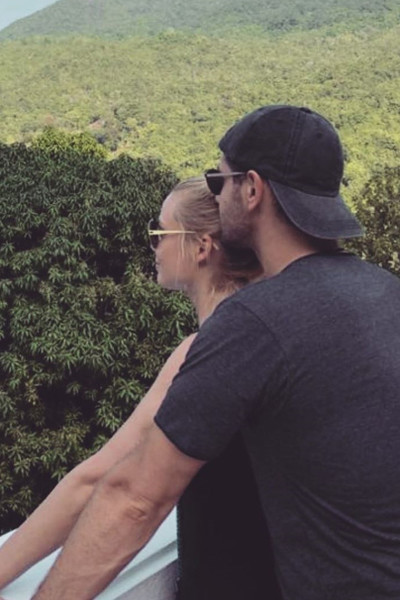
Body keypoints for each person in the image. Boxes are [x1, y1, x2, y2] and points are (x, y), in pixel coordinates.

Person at [14, 104, 400, 600]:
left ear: (252, 189)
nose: (217, 196)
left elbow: (133, 500)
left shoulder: (254, 324)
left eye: (220, 181)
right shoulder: (384, 290)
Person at [0, 177, 281, 599]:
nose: (153, 246)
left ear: (201, 248)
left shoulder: (209, 352)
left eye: (159, 232)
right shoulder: (272, 333)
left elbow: (98, 480)